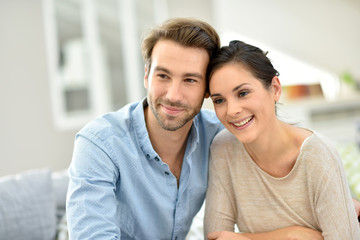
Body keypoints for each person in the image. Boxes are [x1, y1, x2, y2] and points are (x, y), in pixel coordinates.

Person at [66, 18, 360, 240]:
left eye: (190, 80)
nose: (173, 94)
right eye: (163, 76)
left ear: (205, 90)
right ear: (146, 75)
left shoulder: (221, 134)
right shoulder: (100, 143)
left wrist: (342, 206)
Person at [204, 40, 360, 240]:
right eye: (219, 100)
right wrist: (293, 234)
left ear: (275, 89)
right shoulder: (223, 147)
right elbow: (216, 237)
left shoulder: (318, 154)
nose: (232, 110)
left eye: (243, 93)